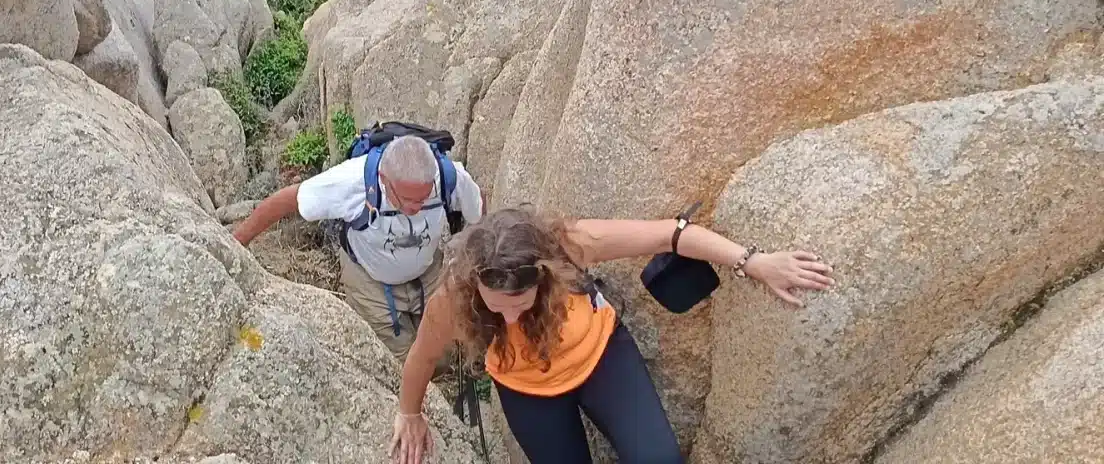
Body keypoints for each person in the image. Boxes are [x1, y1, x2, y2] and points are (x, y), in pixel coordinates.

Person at [388, 206, 836, 464]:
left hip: (602, 358)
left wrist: (752, 262)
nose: (507, 320)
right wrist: (410, 414)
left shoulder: (566, 245)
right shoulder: (456, 293)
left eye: (520, 304)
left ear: (543, 278)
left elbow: (671, 235)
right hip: (527, 389)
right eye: (495, 305)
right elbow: (423, 357)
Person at [232, 134, 485, 362]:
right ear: (384, 180)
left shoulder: (448, 177)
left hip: (428, 272)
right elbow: (290, 199)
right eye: (406, 200)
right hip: (370, 281)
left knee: (441, 356)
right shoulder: (353, 181)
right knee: (400, 361)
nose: (415, 208)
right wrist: (235, 243)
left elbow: (478, 214)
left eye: (423, 198)